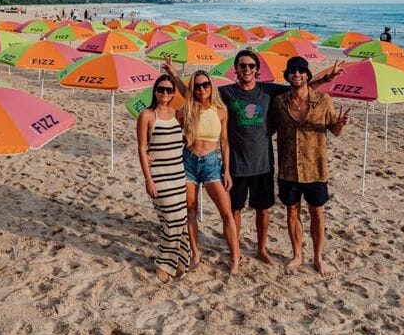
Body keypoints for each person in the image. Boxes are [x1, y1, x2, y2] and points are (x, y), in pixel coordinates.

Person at [165, 51, 338, 265]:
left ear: (257, 70)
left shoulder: (268, 90)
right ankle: (235, 250)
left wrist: (325, 79)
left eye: (250, 66)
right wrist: (173, 74)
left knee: (263, 210)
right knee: (234, 210)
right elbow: (196, 95)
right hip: (237, 164)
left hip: (263, 162)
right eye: (242, 65)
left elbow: (300, 87)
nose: (247, 69)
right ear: (236, 69)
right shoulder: (226, 93)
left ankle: (262, 249)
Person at [271, 57, 349, 275]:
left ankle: (317, 257)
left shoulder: (323, 100)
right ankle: (297, 255)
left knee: (317, 212)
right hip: (288, 168)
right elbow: (269, 129)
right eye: (293, 71)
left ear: (307, 74)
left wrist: (340, 124)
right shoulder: (279, 102)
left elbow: (334, 129)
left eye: (301, 71)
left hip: (315, 167)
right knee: (292, 210)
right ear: (287, 75)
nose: (297, 74)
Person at [176, 70, 240, 274]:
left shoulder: (220, 110)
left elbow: (225, 142)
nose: (202, 89)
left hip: (212, 164)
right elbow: (174, 131)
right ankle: (196, 253)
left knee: (227, 213)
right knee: (191, 211)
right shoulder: (186, 110)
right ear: (192, 89)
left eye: (205, 85)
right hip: (189, 163)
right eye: (197, 86)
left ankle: (235, 257)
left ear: (211, 87)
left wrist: (227, 171)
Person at [136, 75, 191, 282]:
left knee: (181, 220)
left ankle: (179, 260)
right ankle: (163, 262)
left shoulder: (178, 114)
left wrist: (174, 73)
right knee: (172, 219)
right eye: (161, 89)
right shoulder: (147, 115)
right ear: (155, 90)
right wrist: (147, 178)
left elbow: (194, 101)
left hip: (178, 173)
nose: (165, 93)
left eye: (169, 90)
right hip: (159, 174)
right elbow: (142, 147)